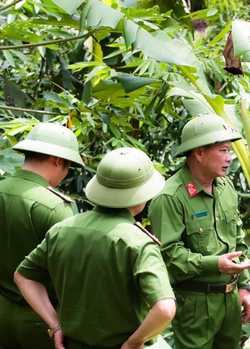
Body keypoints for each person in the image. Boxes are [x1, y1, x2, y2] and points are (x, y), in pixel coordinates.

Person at [14, 147, 176, 349]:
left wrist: (56, 326)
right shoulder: (138, 242)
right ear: (142, 195)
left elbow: (23, 275)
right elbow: (165, 309)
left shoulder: (62, 230)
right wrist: (133, 343)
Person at [0, 122, 84, 349]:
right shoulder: (55, 206)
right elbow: (73, 276)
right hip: (46, 319)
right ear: (58, 160)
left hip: (2, 315)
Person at [149, 114, 250, 349]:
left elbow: (238, 240)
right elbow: (169, 256)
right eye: (223, 151)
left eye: (230, 151)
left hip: (230, 299)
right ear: (199, 153)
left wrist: (244, 287)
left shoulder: (226, 188)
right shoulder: (170, 197)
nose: (230, 158)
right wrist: (214, 264)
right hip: (195, 304)